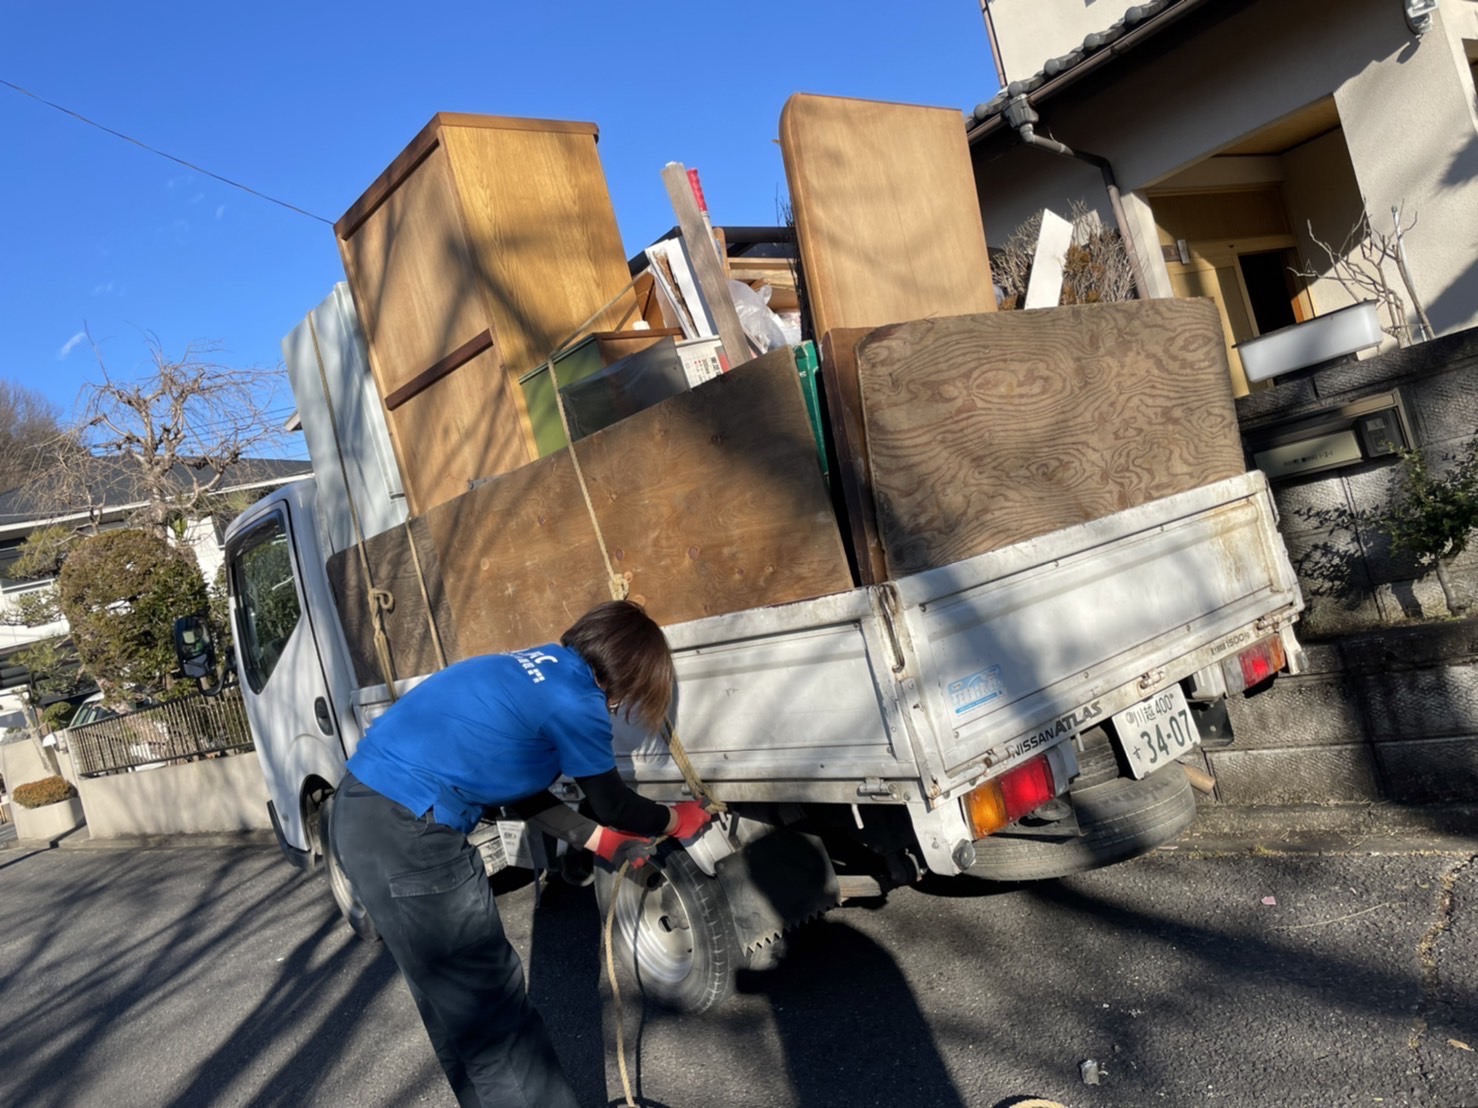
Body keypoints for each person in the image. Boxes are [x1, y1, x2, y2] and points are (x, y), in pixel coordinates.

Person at [330, 599, 714, 1108]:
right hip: (411, 832)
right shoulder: (577, 700)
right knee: (494, 1018)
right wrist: (675, 817)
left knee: (453, 1009)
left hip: (360, 815)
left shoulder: (525, 666)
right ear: (631, 673)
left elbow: (513, 784)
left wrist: (598, 840)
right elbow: (614, 803)